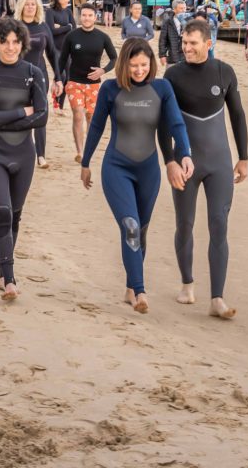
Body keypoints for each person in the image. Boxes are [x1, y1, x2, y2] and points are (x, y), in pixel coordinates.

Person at [80, 38, 192, 314]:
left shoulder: (162, 88)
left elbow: (175, 123)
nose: (139, 70)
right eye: (133, 66)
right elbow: (95, 127)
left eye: (144, 65)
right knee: (130, 225)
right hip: (116, 167)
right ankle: (140, 291)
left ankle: (131, 286)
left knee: (140, 229)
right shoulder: (110, 88)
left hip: (149, 170)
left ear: (151, 63)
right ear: (124, 65)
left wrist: (185, 154)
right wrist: (85, 162)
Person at [165, 19, 248, 319]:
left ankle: (217, 299)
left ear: (208, 43)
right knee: (185, 223)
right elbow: (165, 123)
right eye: (184, 43)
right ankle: (187, 284)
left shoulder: (223, 72)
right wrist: (171, 160)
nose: (186, 48)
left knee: (219, 225)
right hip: (185, 163)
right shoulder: (172, 75)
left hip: (219, 163)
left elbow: (237, 115)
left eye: (192, 43)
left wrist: (244, 157)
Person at [0, 17, 48, 301]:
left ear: (22, 43)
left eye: (15, 42)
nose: (10, 47)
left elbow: (42, 117)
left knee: (15, 215)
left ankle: (0, 272)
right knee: (2, 211)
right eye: (4, 41)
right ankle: (10, 279)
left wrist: (0, 119)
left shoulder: (33, 73)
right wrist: (21, 113)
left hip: (24, 154)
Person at [58, 4, 117, 163]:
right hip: (74, 82)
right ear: (80, 16)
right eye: (83, 15)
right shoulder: (71, 36)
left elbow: (114, 58)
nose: (86, 18)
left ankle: (88, 149)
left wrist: (103, 70)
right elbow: (62, 60)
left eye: (90, 15)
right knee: (78, 114)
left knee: (91, 116)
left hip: (94, 84)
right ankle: (79, 152)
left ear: (95, 17)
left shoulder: (102, 37)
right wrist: (57, 79)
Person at [17, 0, 62, 168]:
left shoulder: (43, 26)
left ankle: (41, 155)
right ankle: (21, 152)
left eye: (33, 5)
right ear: (21, 7)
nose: (30, 7)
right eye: (27, 4)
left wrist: (58, 78)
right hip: (18, 75)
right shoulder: (15, 27)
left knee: (40, 113)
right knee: (20, 113)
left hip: (40, 74)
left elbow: (52, 53)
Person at [47, 0, 75, 110]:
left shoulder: (68, 11)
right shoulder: (50, 12)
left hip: (67, 49)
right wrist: (66, 27)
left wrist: (62, 27)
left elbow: (74, 27)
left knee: (68, 78)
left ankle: (60, 105)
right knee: (61, 76)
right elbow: (51, 31)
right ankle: (56, 99)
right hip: (54, 48)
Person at [158, 0, 188, 67]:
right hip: (172, 56)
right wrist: (162, 55)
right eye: (181, 8)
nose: (184, 11)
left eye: (184, 8)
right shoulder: (167, 22)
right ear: (174, 9)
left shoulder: (190, 21)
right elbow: (162, 40)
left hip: (186, 57)